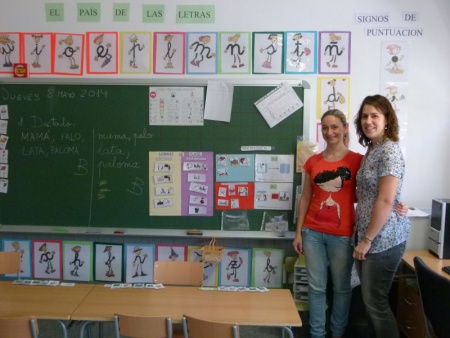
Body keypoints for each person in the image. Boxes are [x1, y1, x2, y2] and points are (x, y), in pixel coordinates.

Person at [293, 109, 407, 338]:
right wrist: (298, 232)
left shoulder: (357, 160)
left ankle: (337, 333)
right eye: (325, 128)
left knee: (342, 288)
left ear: (345, 128)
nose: (329, 132)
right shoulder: (312, 162)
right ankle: (317, 334)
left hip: (344, 234)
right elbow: (305, 197)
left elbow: (372, 191)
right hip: (312, 232)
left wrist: (397, 203)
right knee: (316, 287)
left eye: (335, 127)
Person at [352, 94, 410, 338]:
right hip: (368, 236)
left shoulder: (390, 151)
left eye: (375, 115)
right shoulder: (372, 150)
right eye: (365, 116)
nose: (368, 121)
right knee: (370, 302)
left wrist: (367, 240)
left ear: (387, 120)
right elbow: (370, 194)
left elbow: (385, 200)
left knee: (376, 303)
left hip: (382, 240)